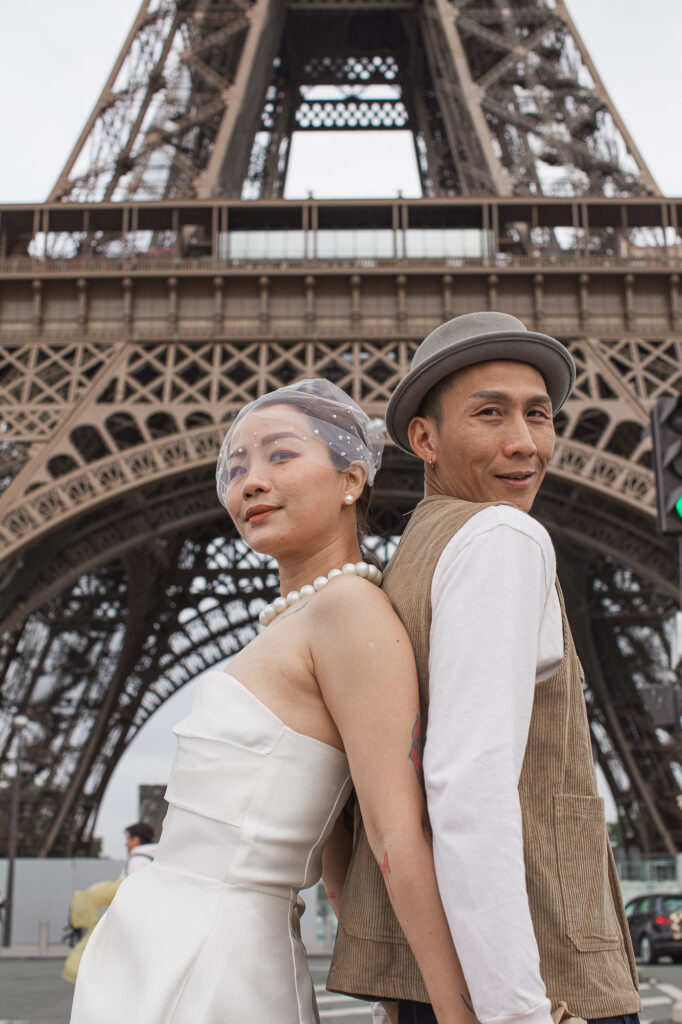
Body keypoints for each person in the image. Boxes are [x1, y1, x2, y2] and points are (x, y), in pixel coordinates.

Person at [70, 379, 477, 1024]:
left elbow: (394, 834)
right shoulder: (299, 619)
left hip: (215, 952)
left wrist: (455, 1014)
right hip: (173, 939)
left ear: (352, 479)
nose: (249, 482)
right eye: (235, 468)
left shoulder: (347, 611)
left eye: (281, 455)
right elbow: (339, 856)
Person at [328, 312, 641, 1024]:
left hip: (436, 987)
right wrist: (516, 1014)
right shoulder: (500, 535)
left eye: (538, 414)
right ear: (424, 438)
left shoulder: (412, 556)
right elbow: (467, 786)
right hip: (534, 982)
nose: (524, 442)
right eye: (490, 413)